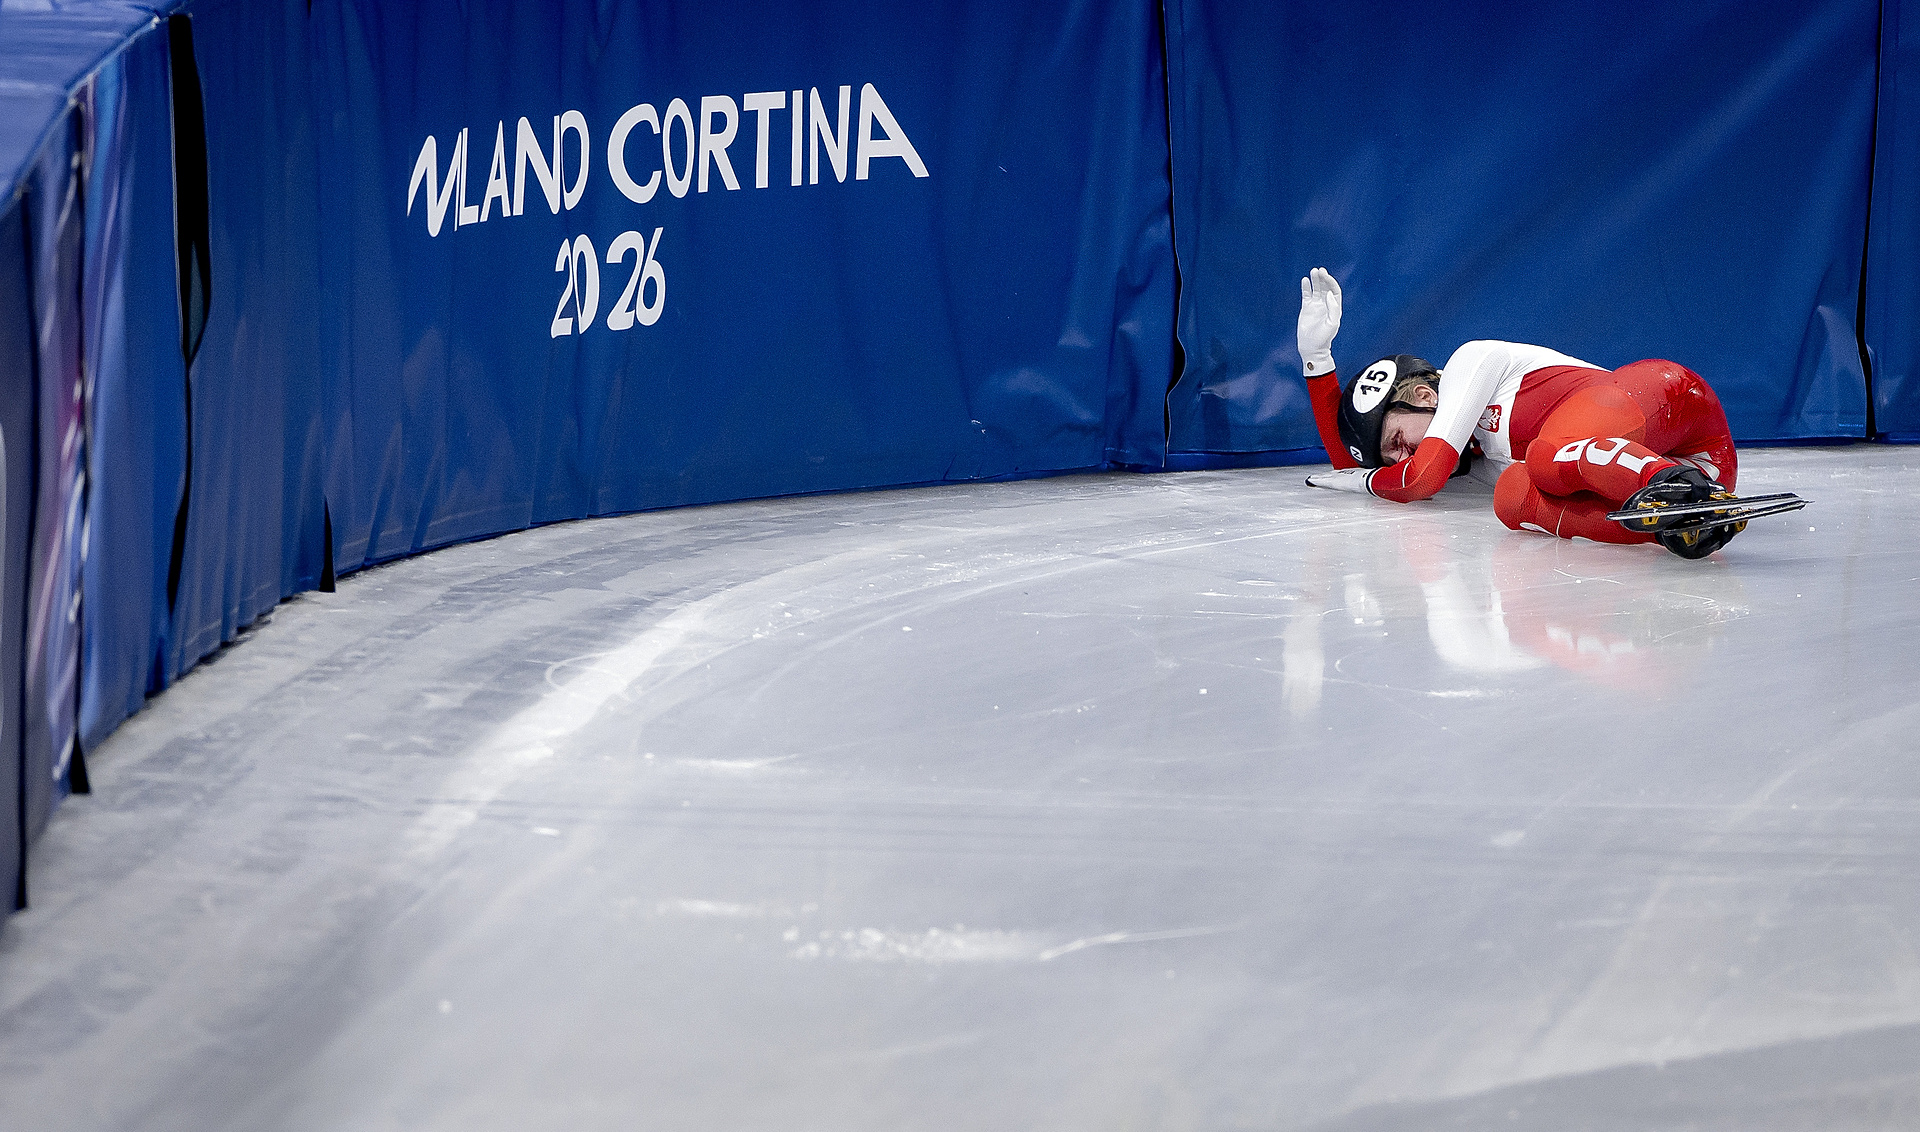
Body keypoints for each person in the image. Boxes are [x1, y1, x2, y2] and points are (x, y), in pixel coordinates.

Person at [1294, 267, 1746, 558]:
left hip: (1675, 400)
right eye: (1389, 457)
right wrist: (1316, 361)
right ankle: (1676, 524)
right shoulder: (1473, 462)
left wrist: (1364, 481)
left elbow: (1418, 480)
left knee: (1547, 460)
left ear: (1424, 397)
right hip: (1705, 475)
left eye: (1395, 442)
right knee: (1512, 496)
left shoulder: (1469, 363)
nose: (1398, 460)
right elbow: (1355, 467)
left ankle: (1669, 491)